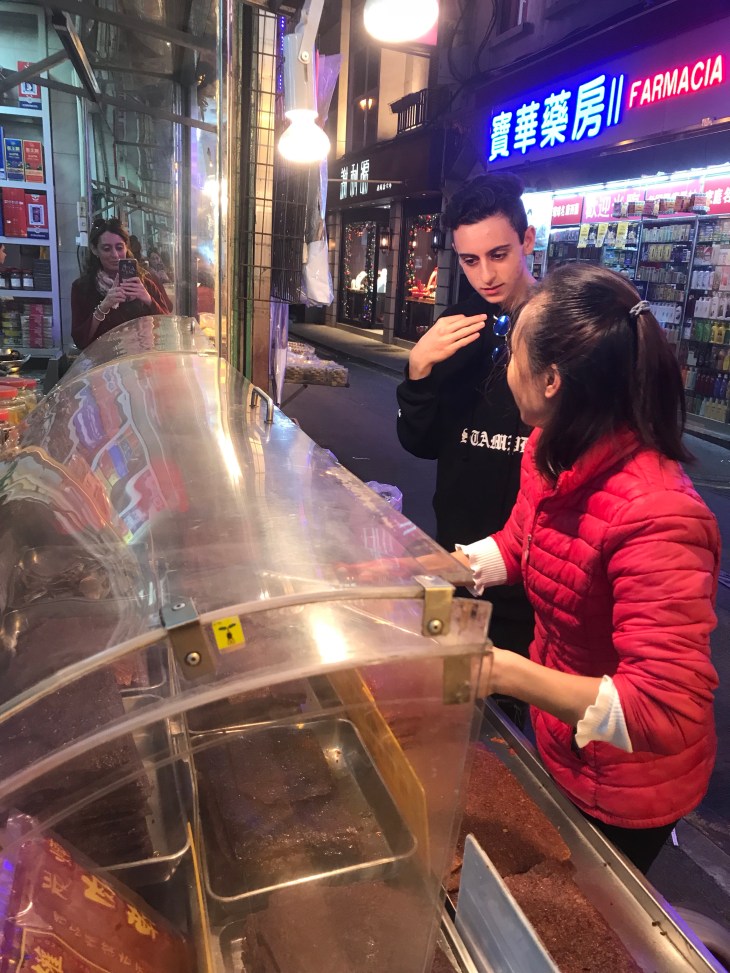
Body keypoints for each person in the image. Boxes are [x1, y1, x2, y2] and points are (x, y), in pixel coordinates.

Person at [451, 262, 720, 873]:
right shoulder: (551, 448)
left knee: (586, 909)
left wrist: (501, 671)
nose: (506, 367)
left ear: (551, 379)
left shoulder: (659, 514)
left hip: (628, 781)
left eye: (513, 352)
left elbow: (664, 710)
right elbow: (522, 543)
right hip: (562, 739)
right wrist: (429, 564)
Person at [397, 173, 536, 663]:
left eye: (499, 254)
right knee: (457, 685)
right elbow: (421, 442)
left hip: (539, 559)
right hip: (459, 549)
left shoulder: (561, 326)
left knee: (527, 688)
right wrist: (417, 371)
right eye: (470, 260)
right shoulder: (453, 326)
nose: (486, 275)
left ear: (527, 240)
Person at [71, 218, 172, 349]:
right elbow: (80, 341)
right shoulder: (82, 288)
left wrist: (148, 299)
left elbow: (167, 328)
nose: (115, 255)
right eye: (106, 249)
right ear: (95, 250)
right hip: (103, 360)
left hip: (141, 358)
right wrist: (103, 307)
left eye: (119, 247)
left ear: (126, 247)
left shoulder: (146, 282)